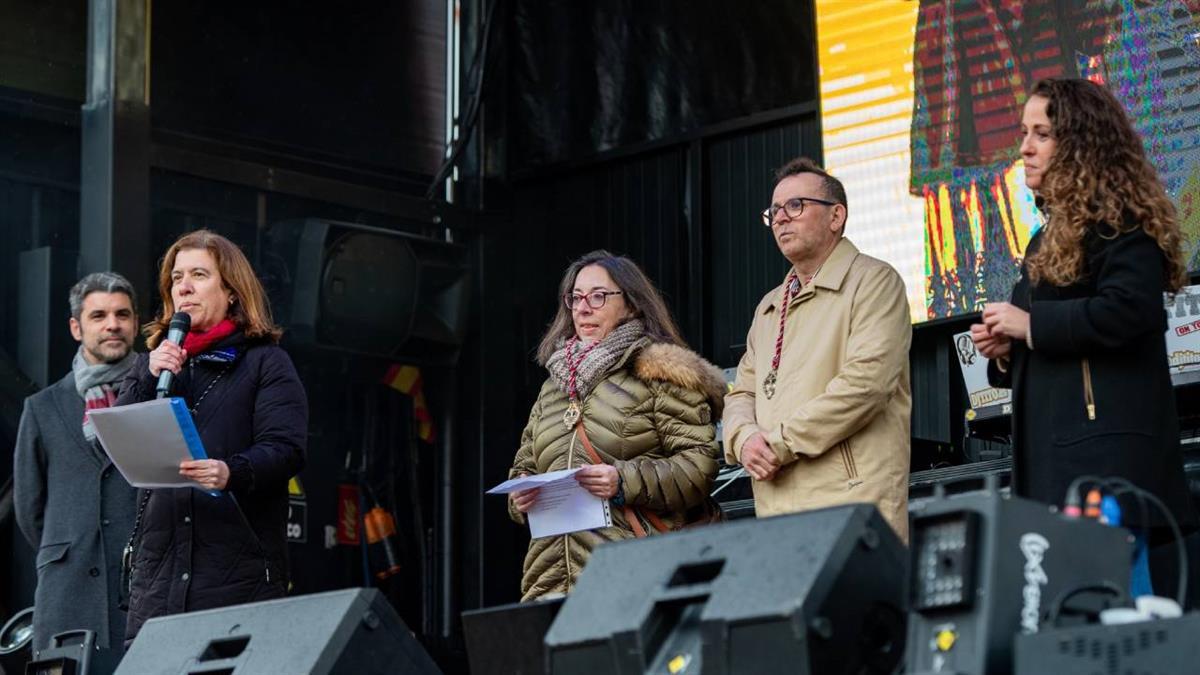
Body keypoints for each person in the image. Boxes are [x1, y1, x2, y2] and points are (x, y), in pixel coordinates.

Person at [971, 78, 1198, 596]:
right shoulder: (1041, 240)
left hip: (1106, 470)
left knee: (1117, 631)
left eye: (1041, 134)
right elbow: (1048, 342)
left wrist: (1030, 326)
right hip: (1054, 473)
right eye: (1023, 132)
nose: (1024, 148)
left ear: (1080, 144)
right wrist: (1006, 352)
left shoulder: (1119, 223)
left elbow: (1129, 311)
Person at [115, 230, 307, 643]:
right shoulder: (151, 365)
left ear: (233, 291)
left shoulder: (266, 363)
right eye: (176, 277)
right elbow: (121, 439)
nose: (183, 286)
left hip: (236, 585)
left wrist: (230, 472)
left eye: (199, 274)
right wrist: (149, 378)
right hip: (158, 590)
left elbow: (286, 449)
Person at [507, 250, 725, 600]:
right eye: (575, 298)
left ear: (633, 304)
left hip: (635, 579)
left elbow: (699, 468)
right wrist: (520, 494)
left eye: (598, 296)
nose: (582, 308)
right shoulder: (554, 386)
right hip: (550, 584)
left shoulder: (663, 374)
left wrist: (623, 480)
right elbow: (525, 466)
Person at [723, 157, 913, 542]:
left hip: (852, 501)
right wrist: (743, 439)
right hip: (777, 507)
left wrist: (777, 443)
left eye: (796, 206)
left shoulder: (874, 281)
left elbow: (866, 384)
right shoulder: (769, 306)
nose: (780, 219)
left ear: (836, 216)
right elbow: (741, 391)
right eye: (774, 211)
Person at [13, 272, 140, 654]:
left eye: (122, 314)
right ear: (76, 327)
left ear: (135, 323)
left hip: (141, 590)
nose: (112, 325)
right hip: (67, 595)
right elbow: (29, 508)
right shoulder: (42, 408)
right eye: (98, 316)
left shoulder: (157, 390)